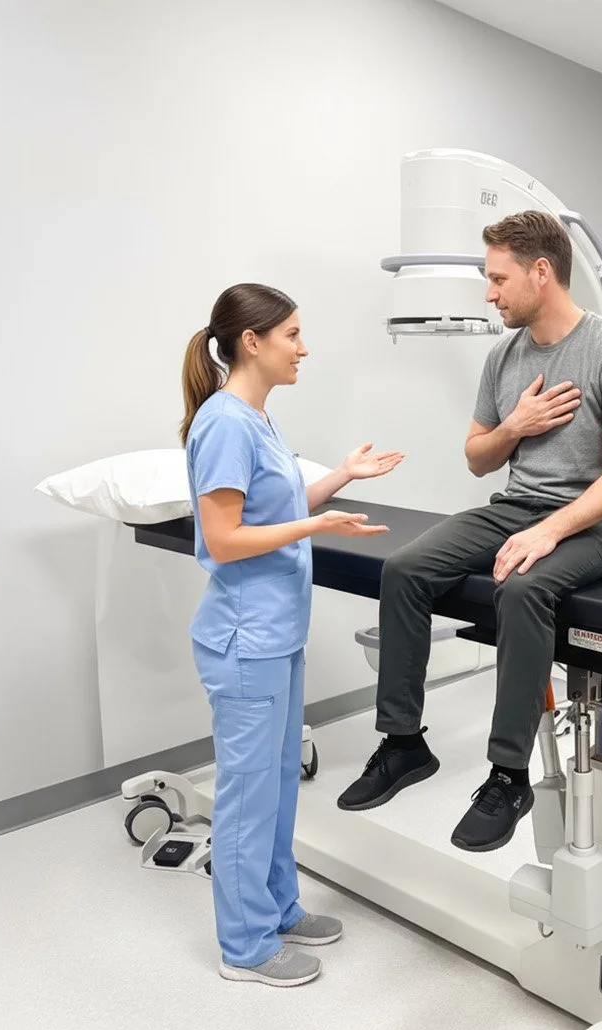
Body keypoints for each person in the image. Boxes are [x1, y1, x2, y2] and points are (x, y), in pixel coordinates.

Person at [337, 211, 602, 852]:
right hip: (516, 506)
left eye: (497, 278)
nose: (489, 293)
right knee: (404, 570)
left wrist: (552, 532)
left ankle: (508, 776)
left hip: (599, 522)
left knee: (520, 590)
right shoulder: (504, 355)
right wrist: (516, 425)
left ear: (542, 272)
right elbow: (478, 457)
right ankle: (403, 744)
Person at [181, 283, 403, 987]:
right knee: (247, 795)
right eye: (293, 335)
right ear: (253, 342)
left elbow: (272, 505)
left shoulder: (257, 419)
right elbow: (223, 537)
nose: (304, 348)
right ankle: (244, 947)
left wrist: (339, 478)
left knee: (276, 783)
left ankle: (276, 908)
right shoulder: (223, 423)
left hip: (276, 636)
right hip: (245, 640)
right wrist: (314, 527)